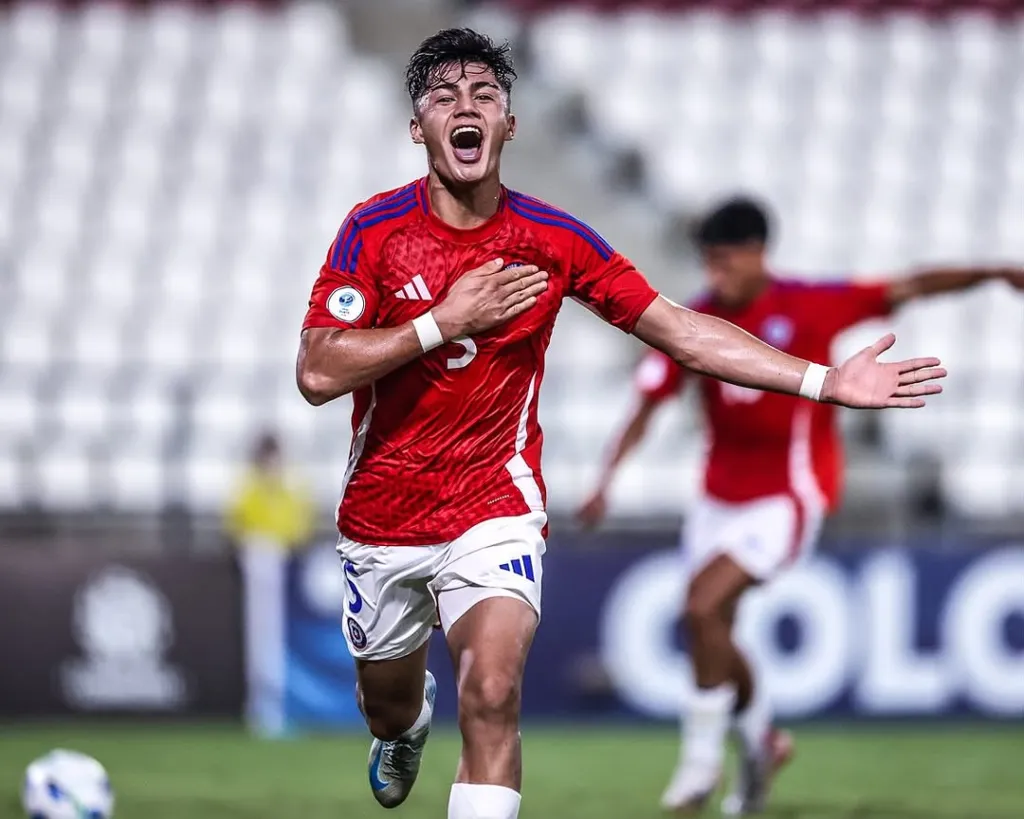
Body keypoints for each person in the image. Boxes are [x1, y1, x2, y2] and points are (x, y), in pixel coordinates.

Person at [295, 31, 945, 819]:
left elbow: (677, 328)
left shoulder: (554, 239)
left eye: (485, 96)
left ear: (509, 124)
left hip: (493, 507)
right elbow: (318, 373)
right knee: (387, 705)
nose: (465, 108)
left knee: (494, 691)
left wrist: (822, 380)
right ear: (417, 128)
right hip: (383, 517)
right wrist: (440, 321)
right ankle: (403, 727)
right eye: (443, 97)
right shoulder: (374, 231)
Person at [576, 197, 1024, 814]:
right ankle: (760, 745)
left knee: (702, 609)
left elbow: (909, 285)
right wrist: (606, 479)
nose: (717, 275)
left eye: (726, 261)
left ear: (760, 253)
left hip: (786, 497)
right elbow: (649, 402)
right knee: (712, 629)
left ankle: (701, 763)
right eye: (709, 262)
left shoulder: (809, 304)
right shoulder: (695, 321)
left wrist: (994, 272)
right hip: (715, 500)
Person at [226, 432, 315, 738]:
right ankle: (263, 712)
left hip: (285, 562)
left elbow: (301, 523)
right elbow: (238, 523)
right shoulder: (250, 487)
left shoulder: (287, 486)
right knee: (263, 638)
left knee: (273, 641)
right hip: (261, 557)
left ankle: (271, 711)